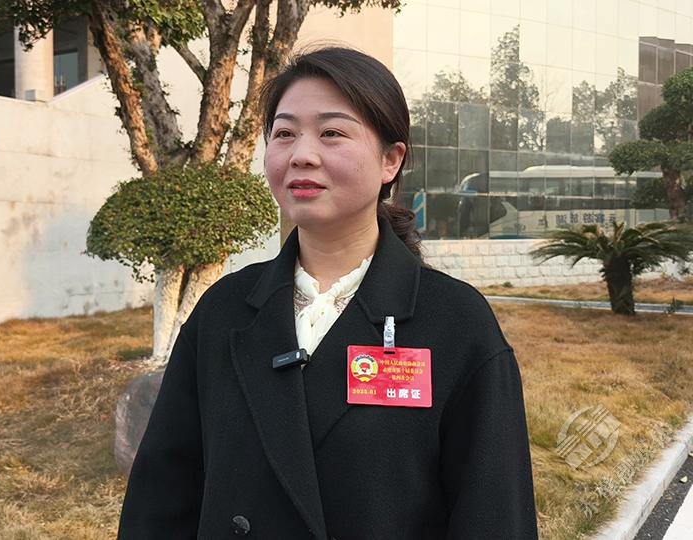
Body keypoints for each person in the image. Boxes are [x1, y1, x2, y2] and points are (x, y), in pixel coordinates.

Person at [117, 46, 539, 539]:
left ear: (391, 160)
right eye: (284, 133)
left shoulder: (457, 323)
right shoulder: (223, 311)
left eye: (332, 133)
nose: (301, 154)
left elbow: (494, 515)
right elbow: (161, 499)